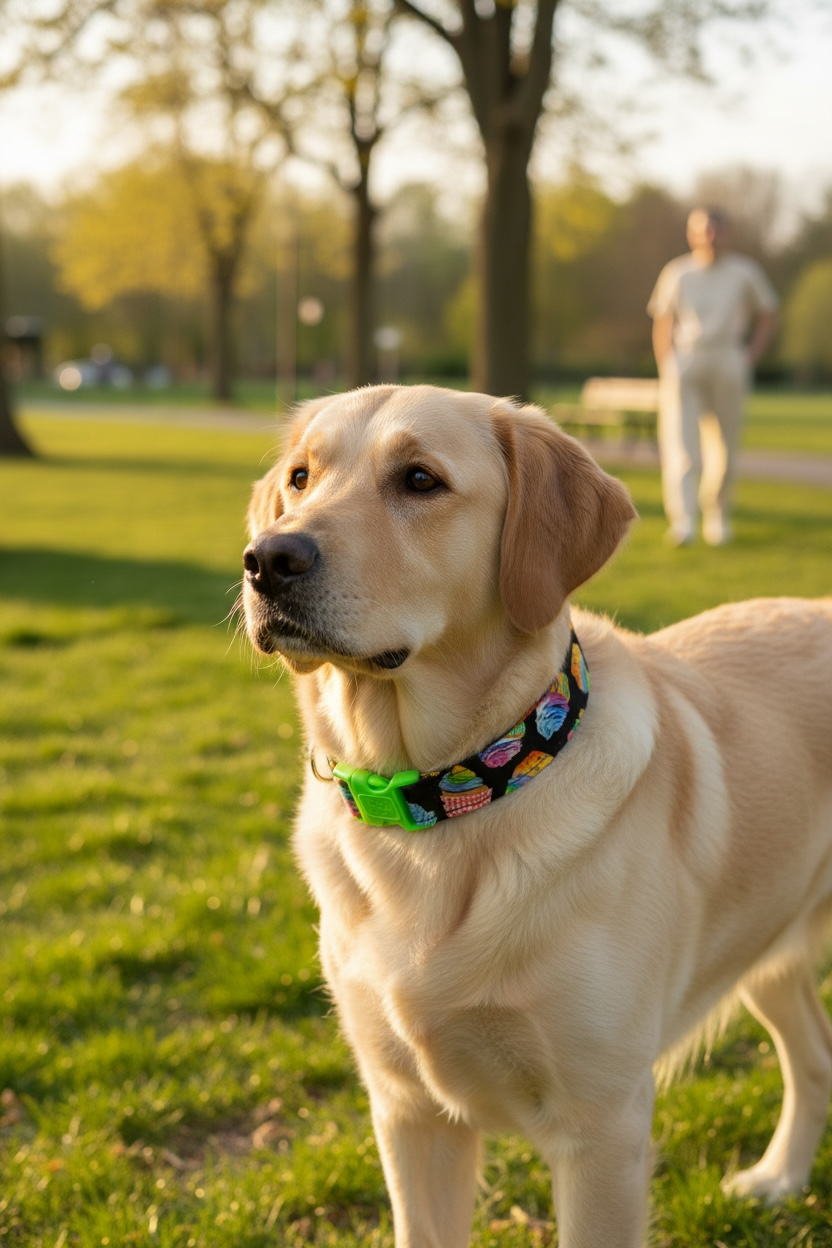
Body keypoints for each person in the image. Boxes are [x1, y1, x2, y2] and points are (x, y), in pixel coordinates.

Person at [648, 208, 779, 546]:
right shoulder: (677, 272)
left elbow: (768, 313)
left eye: (716, 230)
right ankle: (684, 521)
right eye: (703, 229)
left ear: (727, 233)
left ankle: (717, 516)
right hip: (687, 359)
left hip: (728, 357)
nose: (710, 236)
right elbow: (663, 320)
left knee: (724, 442)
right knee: (682, 443)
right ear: (692, 233)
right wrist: (667, 364)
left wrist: (749, 357)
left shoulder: (743, 272)